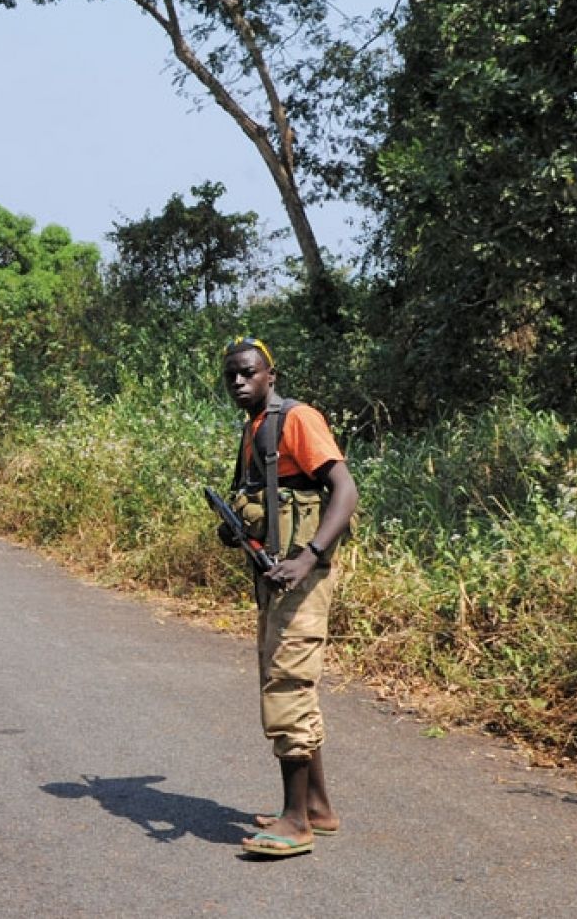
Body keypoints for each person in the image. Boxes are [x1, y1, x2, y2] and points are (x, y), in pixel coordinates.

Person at [220, 336, 358, 858]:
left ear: (270, 376)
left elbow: (344, 489)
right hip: (277, 580)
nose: (238, 381)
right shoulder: (254, 427)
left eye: (248, 373)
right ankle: (318, 807)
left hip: (301, 577)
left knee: (287, 685)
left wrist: (308, 556)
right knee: (287, 680)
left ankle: (295, 822)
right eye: (231, 374)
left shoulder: (296, 419)